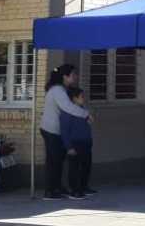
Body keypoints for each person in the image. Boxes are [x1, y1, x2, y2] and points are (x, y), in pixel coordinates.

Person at [40, 64, 90, 200]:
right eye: (73, 74)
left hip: (55, 130)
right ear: (65, 76)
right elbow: (68, 107)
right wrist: (85, 114)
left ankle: (57, 188)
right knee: (54, 161)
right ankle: (50, 191)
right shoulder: (57, 90)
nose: (75, 77)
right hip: (51, 130)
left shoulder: (61, 89)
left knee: (58, 160)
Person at [60, 87, 94, 200]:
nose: (84, 99)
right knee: (74, 168)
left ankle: (84, 187)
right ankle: (74, 190)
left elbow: (88, 124)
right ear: (74, 98)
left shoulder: (83, 109)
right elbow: (64, 130)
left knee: (86, 166)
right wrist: (69, 147)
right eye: (81, 97)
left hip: (85, 142)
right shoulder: (67, 112)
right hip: (75, 143)